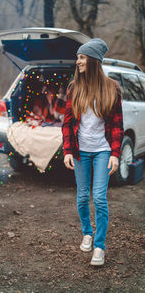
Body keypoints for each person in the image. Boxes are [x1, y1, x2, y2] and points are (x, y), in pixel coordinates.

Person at [62, 38, 124, 266]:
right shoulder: (74, 88)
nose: (77, 61)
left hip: (102, 151)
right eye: (78, 57)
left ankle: (99, 246)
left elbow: (117, 125)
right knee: (81, 197)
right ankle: (87, 232)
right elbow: (68, 123)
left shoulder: (112, 89)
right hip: (80, 152)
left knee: (98, 197)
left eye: (81, 57)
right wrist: (68, 150)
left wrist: (116, 154)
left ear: (94, 61)